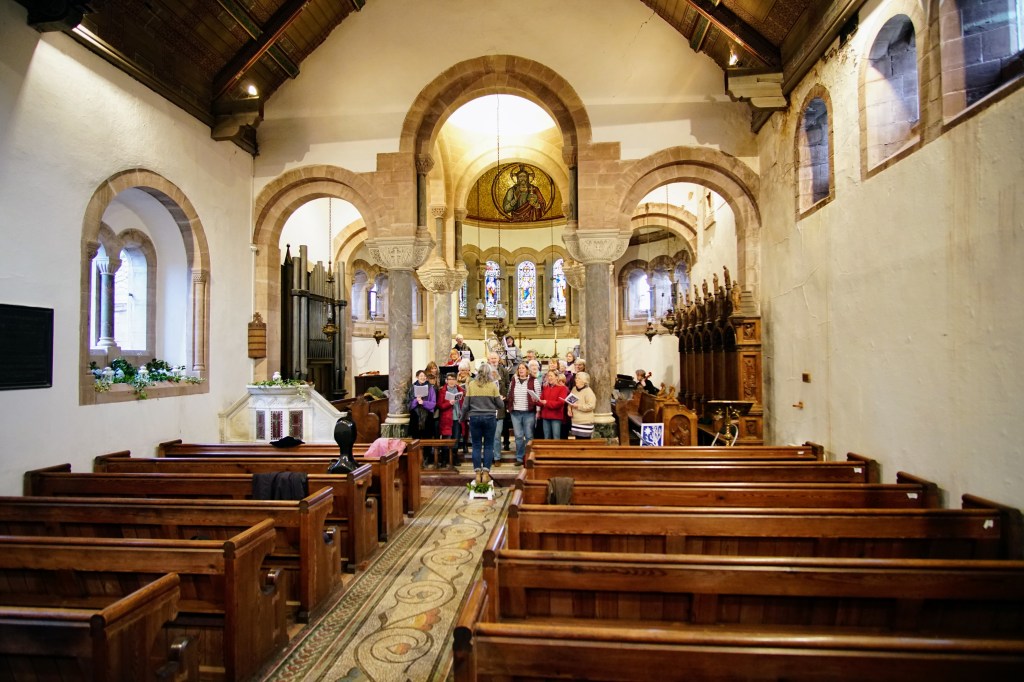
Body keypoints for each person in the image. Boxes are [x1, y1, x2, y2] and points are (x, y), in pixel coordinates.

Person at [461, 361, 504, 485]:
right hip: (490, 418)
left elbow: (465, 405)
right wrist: (498, 399)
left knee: (476, 446)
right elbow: (500, 405)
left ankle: (477, 474)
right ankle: (485, 474)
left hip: (475, 418)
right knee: (489, 445)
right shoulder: (493, 386)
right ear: (489, 373)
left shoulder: (472, 385)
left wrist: (462, 418)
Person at [506, 362, 540, 465]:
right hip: (515, 412)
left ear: (527, 370)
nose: (521, 370)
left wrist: (538, 410)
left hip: (528, 412)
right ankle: (520, 458)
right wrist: (509, 405)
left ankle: (529, 457)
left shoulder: (534, 381)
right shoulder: (514, 380)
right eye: (519, 368)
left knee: (529, 435)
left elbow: (539, 396)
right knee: (518, 436)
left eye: (523, 368)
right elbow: (509, 394)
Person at [436, 371, 464, 470]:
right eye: (449, 379)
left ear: (456, 380)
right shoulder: (442, 391)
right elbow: (439, 405)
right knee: (446, 438)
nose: (451, 381)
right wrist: (449, 403)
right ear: (446, 380)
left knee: (456, 438)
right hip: (446, 418)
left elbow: (463, 403)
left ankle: (454, 457)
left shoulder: (460, 390)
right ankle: (444, 459)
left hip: (457, 418)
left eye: (453, 379)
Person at [408, 370, 437, 466]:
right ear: (417, 377)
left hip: (427, 417)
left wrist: (423, 402)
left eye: (424, 376)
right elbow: (408, 405)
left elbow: (433, 403)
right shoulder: (412, 388)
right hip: (415, 417)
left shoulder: (430, 388)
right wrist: (416, 400)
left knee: (427, 437)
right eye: (421, 376)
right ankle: (416, 459)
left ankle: (426, 458)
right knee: (415, 438)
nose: (423, 377)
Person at [487, 351, 511, 464]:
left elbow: (507, 385)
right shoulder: (484, 370)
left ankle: (497, 457)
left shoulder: (504, 371)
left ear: (498, 359)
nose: (493, 360)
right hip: (487, 406)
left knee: (497, 435)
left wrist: (504, 396)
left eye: (495, 358)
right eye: (491, 358)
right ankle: (489, 456)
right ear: (488, 360)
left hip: (499, 406)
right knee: (488, 435)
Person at [539, 369, 569, 439]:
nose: (549, 378)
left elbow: (560, 403)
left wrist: (547, 402)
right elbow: (541, 401)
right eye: (548, 376)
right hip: (545, 416)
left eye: (551, 376)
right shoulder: (545, 388)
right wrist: (536, 400)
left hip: (556, 416)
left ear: (556, 377)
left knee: (556, 437)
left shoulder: (562, 388)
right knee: (546, 437)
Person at [567, 371, 597, 439]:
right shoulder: (574, 389)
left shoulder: (588, 391)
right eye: (576, 378)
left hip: (585, 422)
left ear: (584, 381)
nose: (576, 380)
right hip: (575, 421)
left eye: (579, 378)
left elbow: (591, 406)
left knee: (584, 442)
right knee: (577, 441)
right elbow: (570, 401)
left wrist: (578, 406)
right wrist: (569, 409)